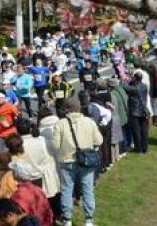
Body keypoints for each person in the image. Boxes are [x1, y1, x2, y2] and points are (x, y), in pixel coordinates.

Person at [50, 97, 102, 226]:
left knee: (67, 190)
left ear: (66, 109)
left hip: (66, 161)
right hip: (85, 159)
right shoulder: (89, 122)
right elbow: (99, 141)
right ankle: (89, 220)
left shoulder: (60, 124)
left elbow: (55, 145)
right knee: (87, 190)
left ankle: (67, 219)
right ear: (79, 108)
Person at [8, 161, 52, 226]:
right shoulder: (39, 190)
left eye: (13, 171)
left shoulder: (17, 196)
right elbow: (48, 211)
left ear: (16, 175)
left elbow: (15, 219)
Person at [122, 70, 150, 153]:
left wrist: (125, 79)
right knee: (144, 130)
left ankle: (138, 149)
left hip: (135, 112)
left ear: (135, 78)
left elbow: (124, 86)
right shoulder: (144, 86)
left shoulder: (133, 88)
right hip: (144, 110)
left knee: (136, 131)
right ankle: (145, 148)